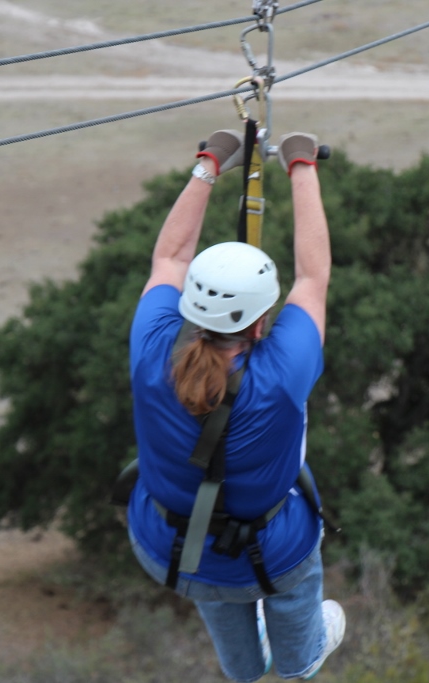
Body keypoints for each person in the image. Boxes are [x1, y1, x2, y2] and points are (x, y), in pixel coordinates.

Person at [126, 128, 344, 682]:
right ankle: (300, 656)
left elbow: (170, 254)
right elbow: (314, 276)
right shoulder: (280, 371)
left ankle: (247, 669)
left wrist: (209, 164)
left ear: (190, 304)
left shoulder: (153, 344)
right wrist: (302, 167)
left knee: (239, 660)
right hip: (276, 554)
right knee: (299, 664)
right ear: (260, 321)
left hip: (171, 547)